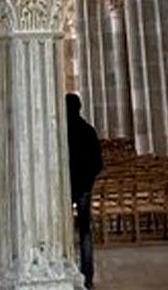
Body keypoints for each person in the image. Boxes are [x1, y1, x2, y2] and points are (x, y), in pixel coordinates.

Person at [66, 93, 103, 289]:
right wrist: (88, 180)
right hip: (83, 187)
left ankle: (64, 268)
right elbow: (98, 163)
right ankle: (87, 275)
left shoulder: (60, 131)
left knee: (60, 230)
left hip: (63, 188)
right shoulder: (88, 130)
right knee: (85, 230)